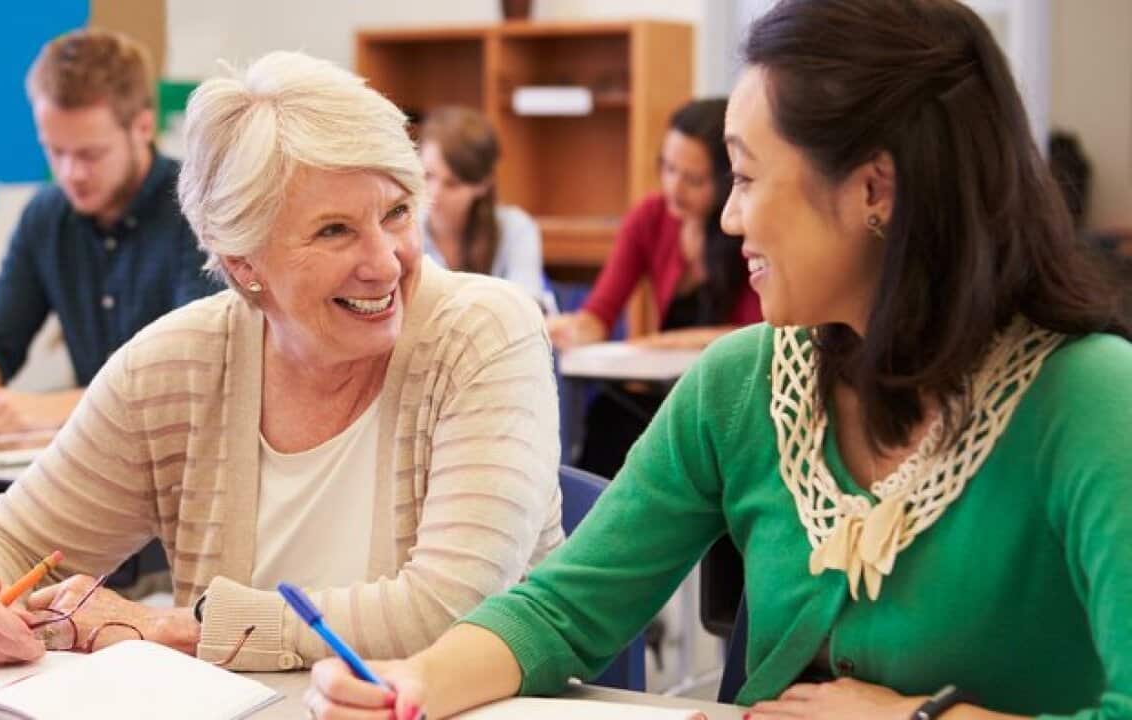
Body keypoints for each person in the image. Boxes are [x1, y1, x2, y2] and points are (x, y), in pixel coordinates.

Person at [308, 1, 1132, 718]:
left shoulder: (1090, 398)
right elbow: (563, 610)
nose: (729, 219)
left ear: (875, 191)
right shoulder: (744, 384)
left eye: (745, 176)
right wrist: (413, 685)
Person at [0, 50, 564, 671]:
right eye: (334, 230)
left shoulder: (486, 333)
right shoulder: (178, 363)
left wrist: (174, 631)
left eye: (396, 213)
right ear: (241, 261)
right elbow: (3, 540)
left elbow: (451, 613)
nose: (385, 262)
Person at [0, 29, 219, 436]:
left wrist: (51, 408)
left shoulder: (198, 211)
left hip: (181, 452)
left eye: (90, 154)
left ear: (144, 127)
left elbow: (188, 377)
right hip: (97, 458)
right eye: (55, 151)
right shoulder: (46, 216)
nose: (71, 174)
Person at [546, 97, 761, 353]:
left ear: (727, 180)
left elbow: (755, 332)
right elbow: (600, 313)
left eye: (693, 180)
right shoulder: (649, 217)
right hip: (664, 379)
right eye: (668, 168)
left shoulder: (749, 229)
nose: (674, 188)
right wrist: (571, 330)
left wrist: (661, 343)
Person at [418, 106, 553, 311]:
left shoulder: (517, 228)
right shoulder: (403, 227)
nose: (434, 193)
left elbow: (526, 307)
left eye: (452, 184)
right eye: (428, 176)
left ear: (482, 184)